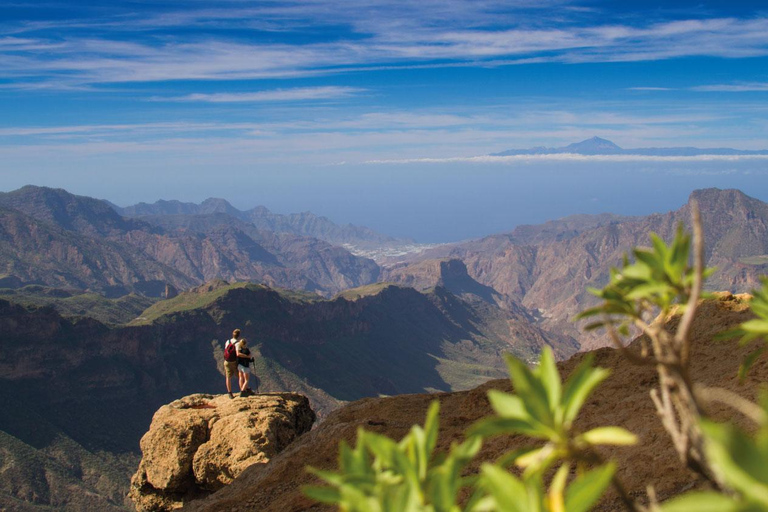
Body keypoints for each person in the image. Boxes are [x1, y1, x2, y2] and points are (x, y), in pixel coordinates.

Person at [223, 329, 241, 399]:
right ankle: (243, 390)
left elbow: (226, 350)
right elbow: (237, 354)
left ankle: (229, 393)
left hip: (226, 362)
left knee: (228, 377)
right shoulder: (237, 343)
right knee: (240, 376)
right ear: (239, 336)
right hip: (234, 362)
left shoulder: (228, 341)